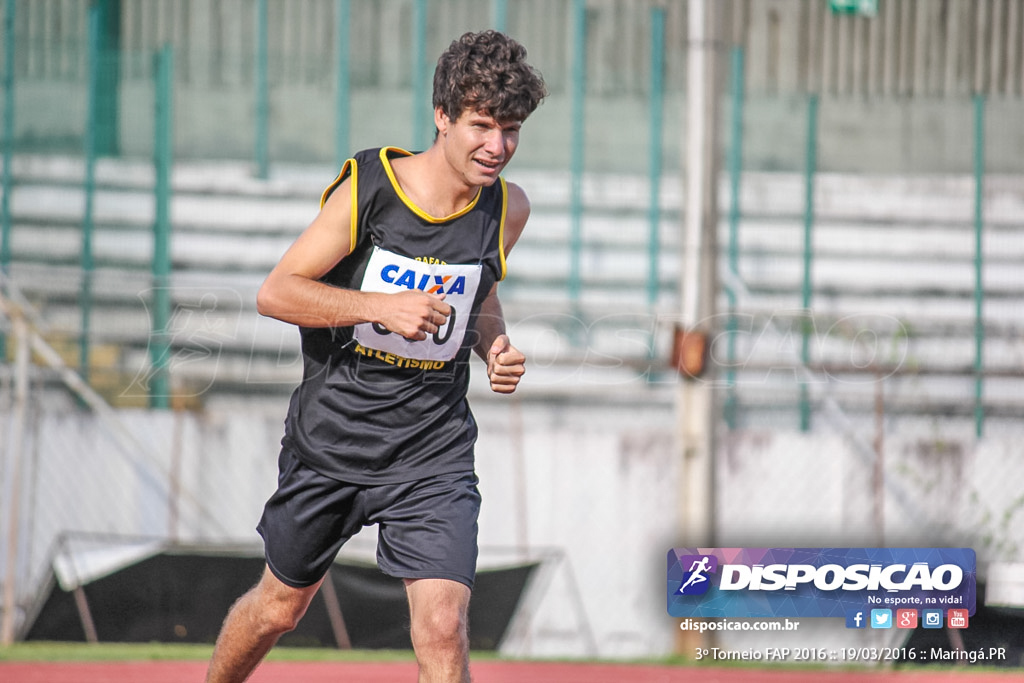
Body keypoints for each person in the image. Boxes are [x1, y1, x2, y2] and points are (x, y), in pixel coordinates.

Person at [204, 30, 546, 683]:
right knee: (279, 608)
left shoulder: (508, 208)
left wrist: (494, 345)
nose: (497, 146)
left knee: (443, 630)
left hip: (431, 452)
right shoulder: (371, 188)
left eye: (512, 130)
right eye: (481, 125)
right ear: (442, 116)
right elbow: (277, 292)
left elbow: (482, 292)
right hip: (333, 440)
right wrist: (378, 305)